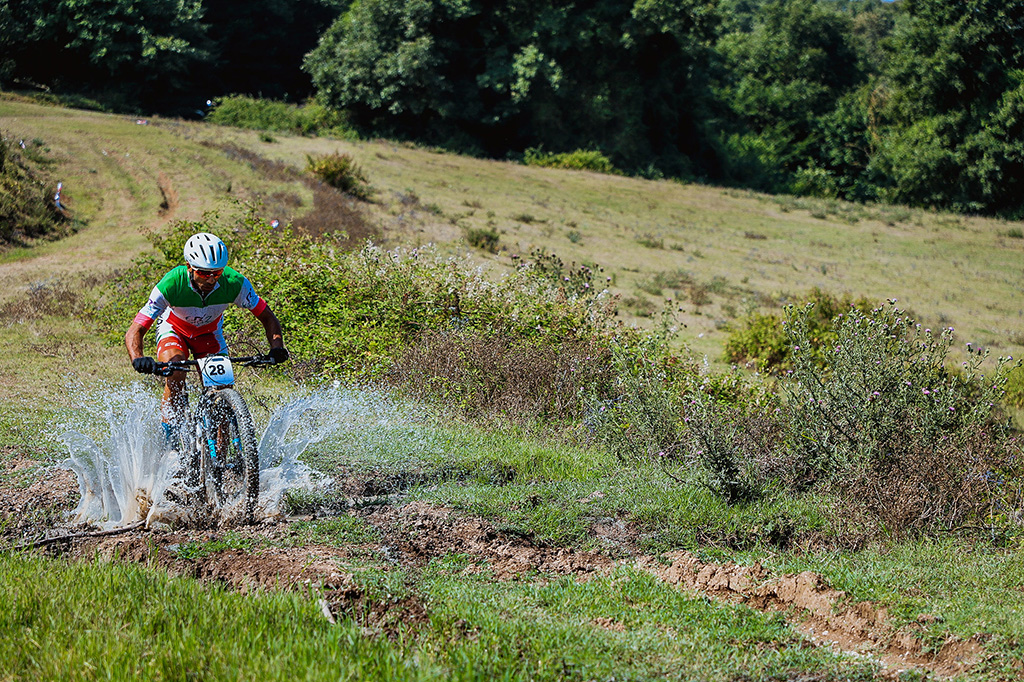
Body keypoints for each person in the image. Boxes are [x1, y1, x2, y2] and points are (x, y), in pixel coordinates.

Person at [125, 232, 288, 449]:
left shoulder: (235, 283)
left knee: (221, 390)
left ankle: (217, 459)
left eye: (217, 272)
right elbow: (135, 330)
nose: (211, 279)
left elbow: (267, 317)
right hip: (174, 330)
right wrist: (138, 358)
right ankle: (170, 440)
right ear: (190, 267)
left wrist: (277, 348)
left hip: (208, 334)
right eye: (204, 273)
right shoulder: (171, 284)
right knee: (176, 370)